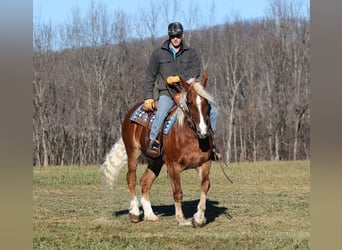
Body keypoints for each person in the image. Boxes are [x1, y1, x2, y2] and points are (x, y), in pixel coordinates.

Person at [143, 22, 220, 159]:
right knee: (161, 112)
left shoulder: (191, 53)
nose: (175, 39)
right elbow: (150, 76)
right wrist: (148, 97)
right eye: (173, 36)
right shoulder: (159, 54)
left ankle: (211, 143)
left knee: (213, 111)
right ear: (169, 36)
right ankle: (153, 142)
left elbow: (195, 71)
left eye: (178, 35)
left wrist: (179, 79)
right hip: (167, 92)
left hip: (187, 92)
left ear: (182, 35)